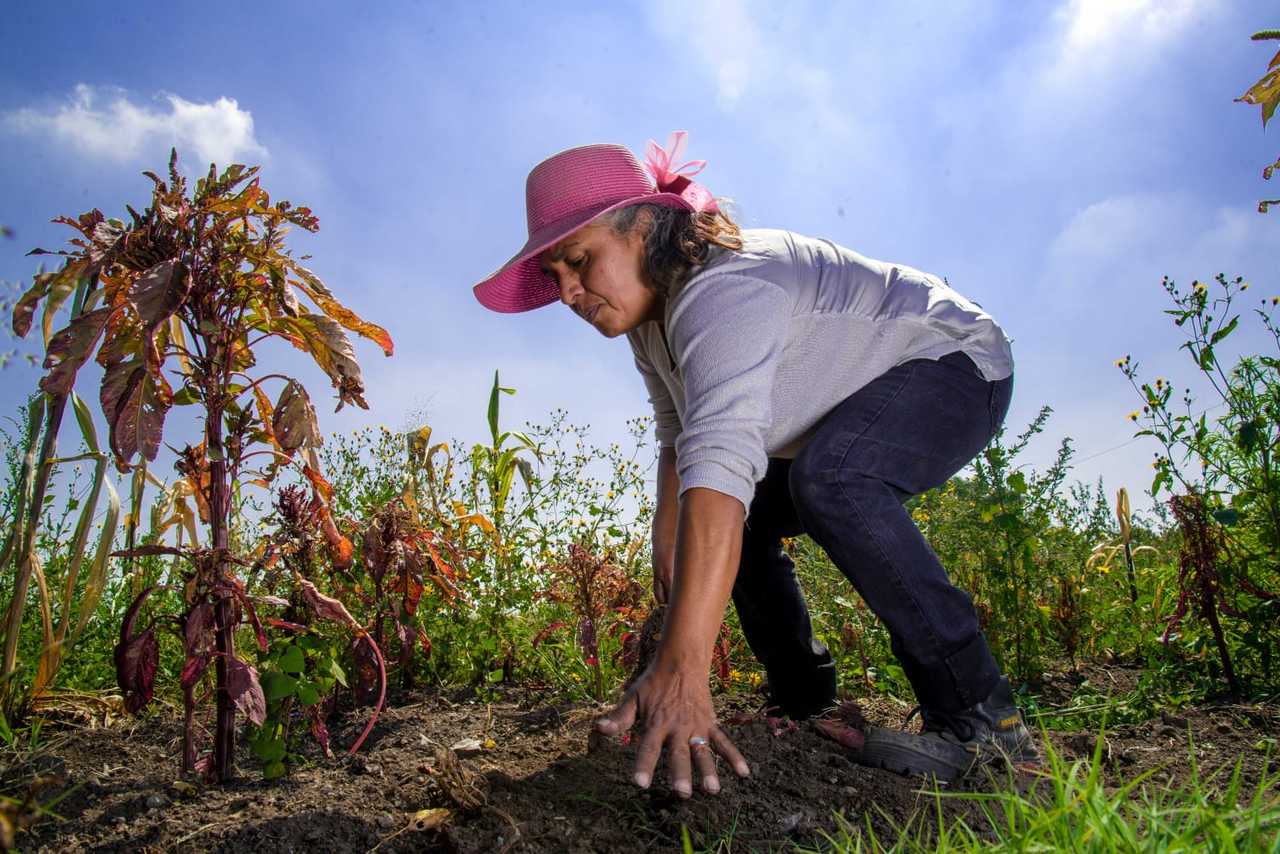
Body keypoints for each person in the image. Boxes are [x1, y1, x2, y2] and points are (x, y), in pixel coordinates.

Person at [472, 132, 1037, 799]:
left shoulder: (724, 289)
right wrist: (669, 539)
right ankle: (804, 699)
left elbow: (722, 462)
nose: (566, 289)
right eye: (554, 275)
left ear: (644, 226)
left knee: (831, 480)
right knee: (730, 518)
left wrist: (683, 671)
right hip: (846, 410)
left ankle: (981, 720)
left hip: (957, 363)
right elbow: (681, 435)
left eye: (578, 259)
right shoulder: (652, 326)